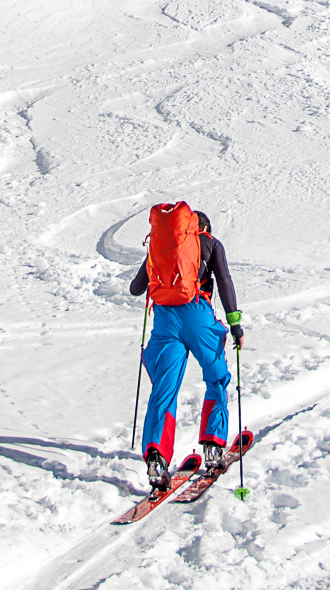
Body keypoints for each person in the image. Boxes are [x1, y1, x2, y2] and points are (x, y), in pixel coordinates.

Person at [130, 209, 245, 489]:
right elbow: (226, 283)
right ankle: (212, 446)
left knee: (163, 389)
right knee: (216, 377)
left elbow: (136, 288)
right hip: (198, 315)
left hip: (164, 320)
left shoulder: (164, 246)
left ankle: (156, 459)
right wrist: (235, 326)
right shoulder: (212, 244)